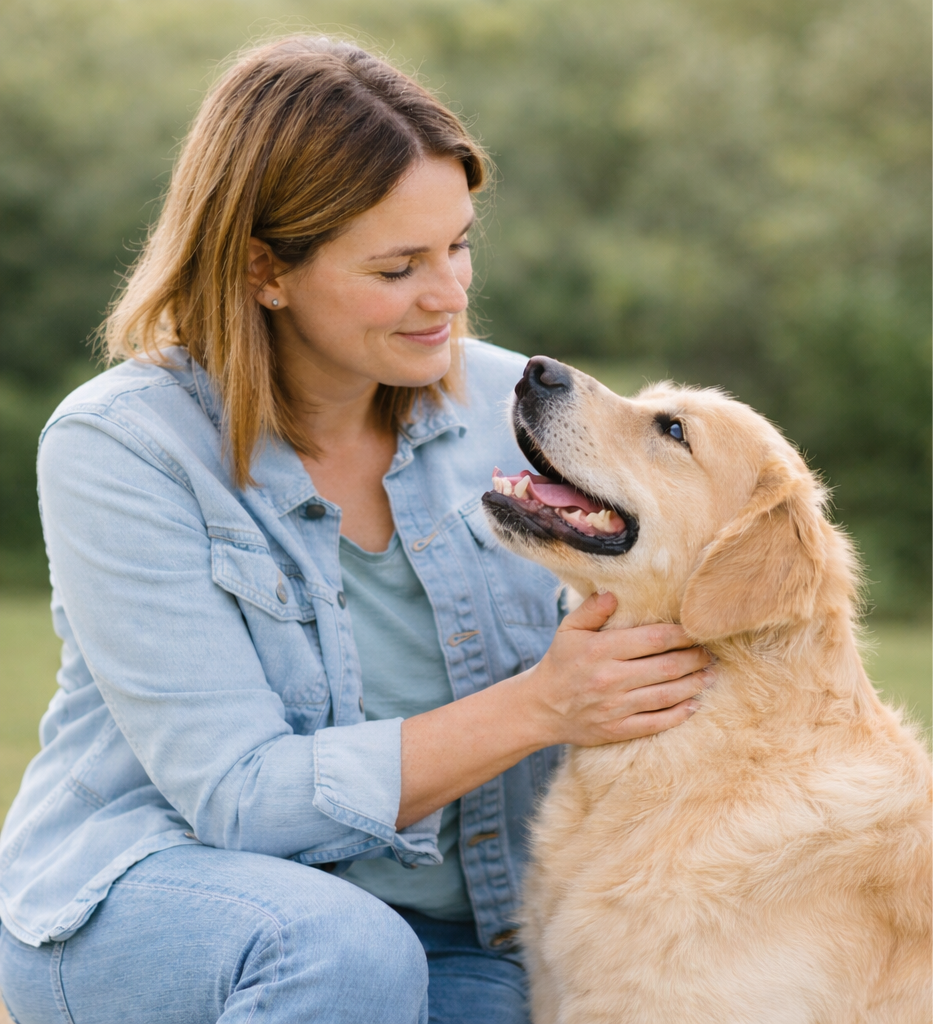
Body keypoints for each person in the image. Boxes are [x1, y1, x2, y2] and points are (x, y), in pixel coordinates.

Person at [0, 36, 713, 1024]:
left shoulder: (519, 404)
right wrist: (544, 705)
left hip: (464, 938)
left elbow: (699, 585)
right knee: (342, 950)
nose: (449, 293)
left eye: (458, 245)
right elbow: (240, 798)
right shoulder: (123, 446)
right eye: (397, 266)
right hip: (165, 902)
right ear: (264, 270)